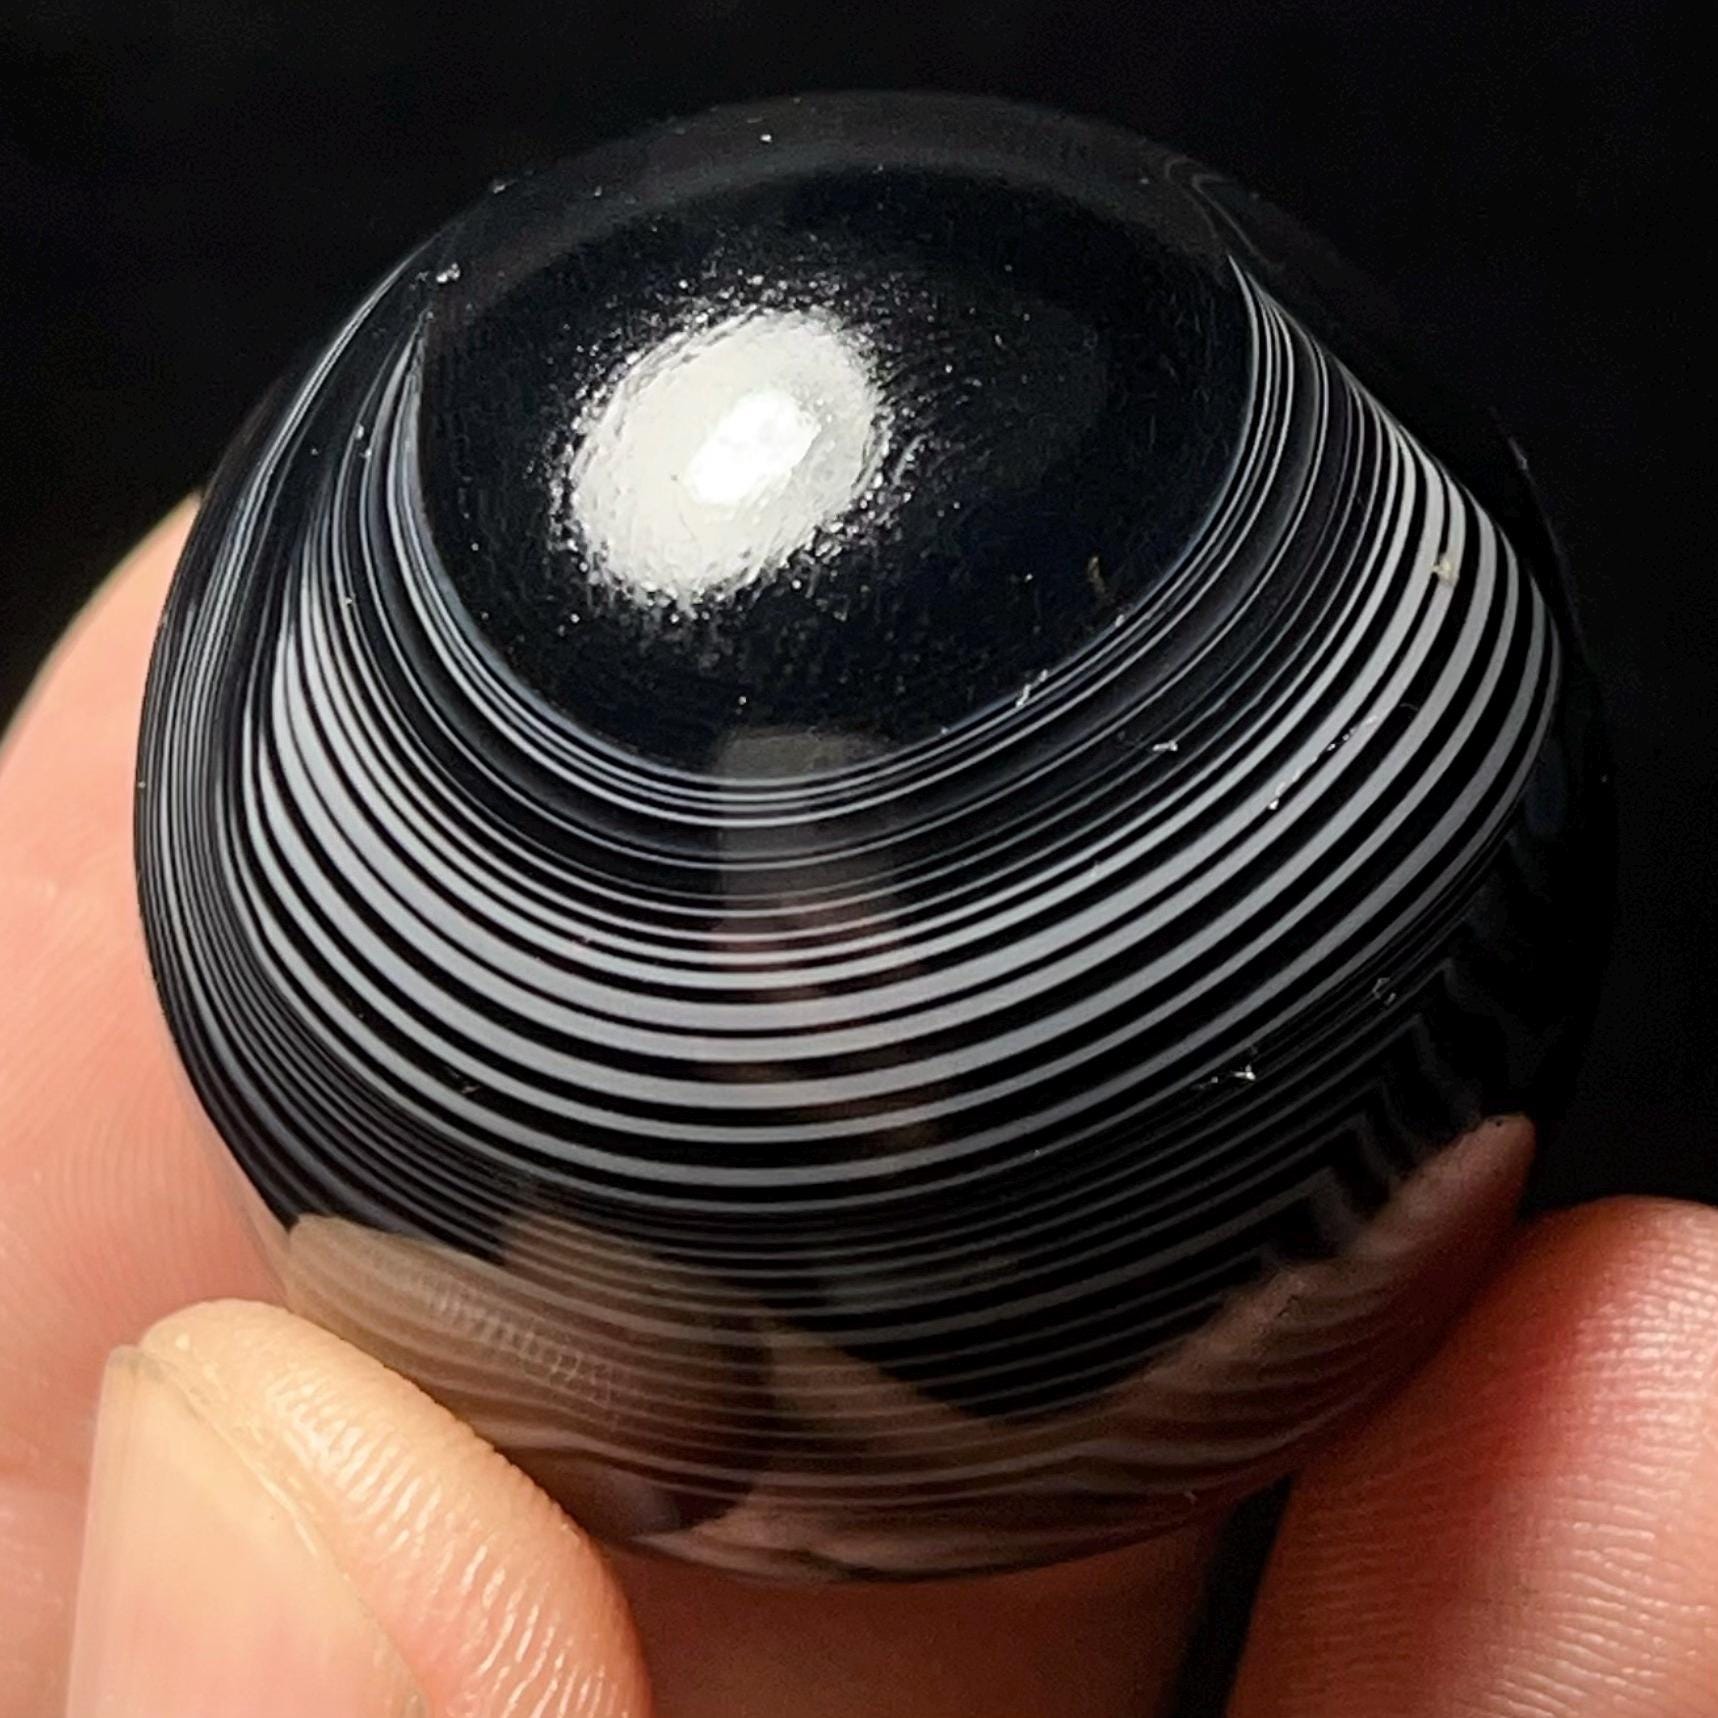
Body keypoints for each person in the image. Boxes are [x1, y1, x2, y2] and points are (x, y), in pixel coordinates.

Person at [3, 502, 1714, 1718]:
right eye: (783, 916)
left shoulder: (1157, 1136)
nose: (845, 977)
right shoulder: (605, 1223)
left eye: (885, 899)